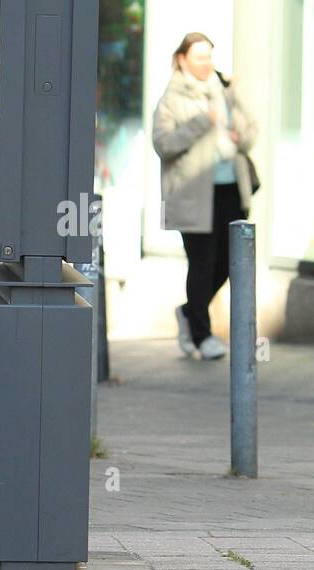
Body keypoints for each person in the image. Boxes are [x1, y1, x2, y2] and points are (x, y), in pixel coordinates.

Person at [152, 32, 258, 361]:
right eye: (199, 57)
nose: (205, 63)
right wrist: (202, 122)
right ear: (182, 59)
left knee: (229, 263)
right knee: (202, 263)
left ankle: (188, 312)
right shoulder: (172, 97)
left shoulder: (223, 90)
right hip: (192, 193)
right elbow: (164, 144)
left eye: (209, 56)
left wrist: (239, 132)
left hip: (230, 189)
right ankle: (202, 335)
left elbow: (251, 131)